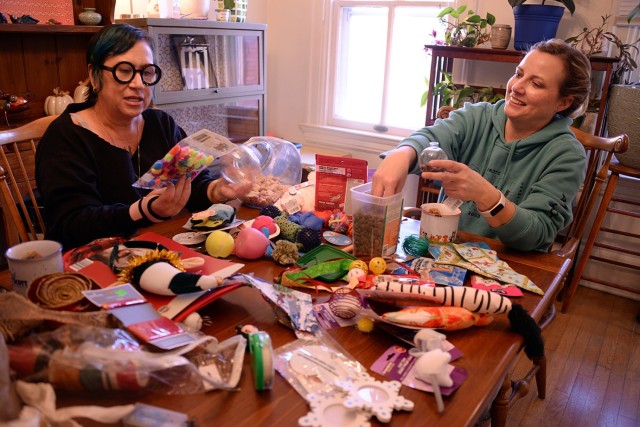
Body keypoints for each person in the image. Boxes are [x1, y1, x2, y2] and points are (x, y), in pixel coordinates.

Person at [36, 24, 248, 249]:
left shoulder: (160, 124)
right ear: (94, 75)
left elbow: (192, 184)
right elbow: (71, 224)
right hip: (90, 263)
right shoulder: (66, 137)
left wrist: (217, 190)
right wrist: (144, 210)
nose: (138, 84)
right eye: (124, 71)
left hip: (158, 248)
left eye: (146, 72)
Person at [372, 39, 592, 252]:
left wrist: (487, 196)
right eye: (518, 74)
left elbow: (536, 235)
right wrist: (403, 153)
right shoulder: (478, 117)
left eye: (536, 84)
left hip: (512, 269)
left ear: (563, 102)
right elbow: (432, 136)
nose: (516, 87)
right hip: (444, 252)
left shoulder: (567, 155)